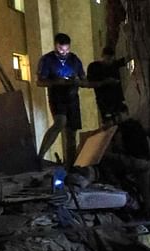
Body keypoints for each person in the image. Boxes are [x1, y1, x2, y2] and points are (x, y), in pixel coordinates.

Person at [37, 33, 87, 168]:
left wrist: (77, 81)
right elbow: (40, 82)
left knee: (71, 133)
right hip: (57, 97)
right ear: (55, 46)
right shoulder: (47, 60)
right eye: (60, 49)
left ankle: (70, 165)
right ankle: (40, 156)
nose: (64, 52)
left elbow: (83, 79)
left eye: (66, 49)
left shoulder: (74, 60)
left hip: (72, 97)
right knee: (60, 122)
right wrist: (56, 81)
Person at [87, 46, 128, 125]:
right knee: (109, 124)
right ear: (103, 56)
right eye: (108, 59)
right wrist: (106, 82)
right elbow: (90, 84)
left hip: (117, 100)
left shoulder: (114, 65)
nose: (109, 62)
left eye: (111, 59)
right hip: (104, 101)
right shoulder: (94, 67)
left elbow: (125, 60)